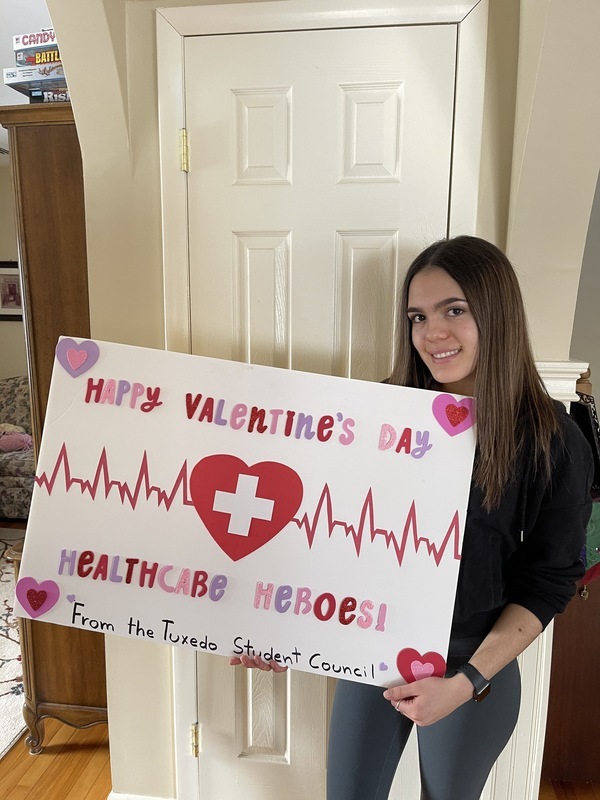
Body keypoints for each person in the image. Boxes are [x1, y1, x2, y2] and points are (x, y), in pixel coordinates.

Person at [230, 236, 593, 800]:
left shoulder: (554, 440)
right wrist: (287, 631)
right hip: (370, 652)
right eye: (418, 317)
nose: (432, 333)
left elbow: (550, 581)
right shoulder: (377, 416)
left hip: (471, 665)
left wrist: (466, 683)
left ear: (497, 314)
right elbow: (329, 536)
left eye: (455, 310)